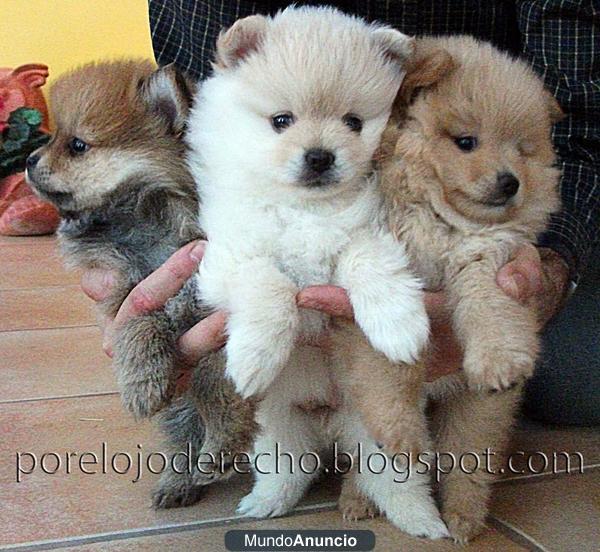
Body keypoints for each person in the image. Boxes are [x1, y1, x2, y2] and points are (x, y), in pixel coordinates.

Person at [82, 0, 599, 425]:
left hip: (457, 177)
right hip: (264, 213)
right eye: (284, 119)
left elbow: (580, 123)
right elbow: (196, 114)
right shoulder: (242, 82)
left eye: (353, 122)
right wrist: (146, 291)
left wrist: (549, 268)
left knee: (576, 382)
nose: (320, 148)